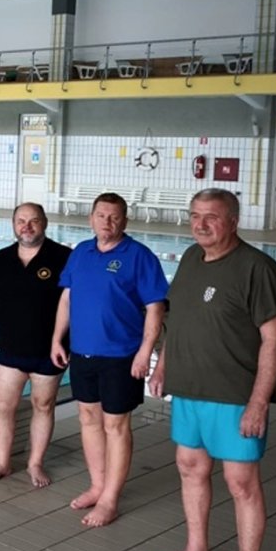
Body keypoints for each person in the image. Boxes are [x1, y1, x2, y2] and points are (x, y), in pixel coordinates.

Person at [147, 189, 276, 551]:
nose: (201, 224)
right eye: (195, 215)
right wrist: (162, 366)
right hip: (189, 389)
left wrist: (259, 402)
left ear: (233, 222)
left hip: (234, 394)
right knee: (190, 468)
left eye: (211, 216)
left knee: (241, 484)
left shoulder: (256, 268)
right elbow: (178, 319)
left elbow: (275, 338)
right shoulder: (192, 258)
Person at [51, 193, 168, 528]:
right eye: (101, 215)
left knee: (116, 426)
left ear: (125, 221)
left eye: (114, 217)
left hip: (121, 356)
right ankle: (97, 485)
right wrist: (57, 338)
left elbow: (156, 308)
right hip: (83, 352)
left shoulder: (140, 257)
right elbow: (66, 299)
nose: (107, 222)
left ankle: (110, 499)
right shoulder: (80, 253)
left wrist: (145, 352)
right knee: (88, 418)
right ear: (91, 218)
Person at [0, 204, 71, 487]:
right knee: (3, 406)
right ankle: (2, 462)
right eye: (21, 221)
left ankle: (35, 463)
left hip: (49, 350)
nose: (27, 227)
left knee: (43, 405)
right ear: (13, 224)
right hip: (11, 350)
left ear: (45, 223)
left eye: (33, 221)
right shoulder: (2, 259)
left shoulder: (63, 257)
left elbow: (73, 302)